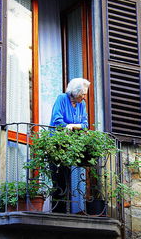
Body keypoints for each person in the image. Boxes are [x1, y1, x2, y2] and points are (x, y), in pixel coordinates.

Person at [49, 78, 90, 213]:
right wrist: (67, 126)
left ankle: (66, 210)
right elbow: (57, 120)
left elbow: (85, 124)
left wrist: (72, 126)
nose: (84, 97)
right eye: (83, 94)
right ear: (75, 92)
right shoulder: (61, 99)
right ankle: (57, 211)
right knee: (57, 178)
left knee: (67, 178)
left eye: (85, 94)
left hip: (72, 146)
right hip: (57, 144)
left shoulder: (81, 104)